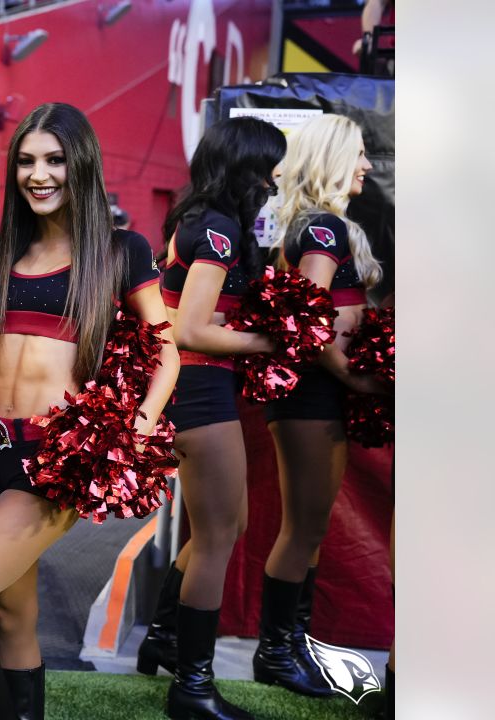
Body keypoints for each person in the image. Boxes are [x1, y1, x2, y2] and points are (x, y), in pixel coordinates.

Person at [0, 102, 178, 720]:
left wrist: (131, 433)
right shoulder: (1, 251)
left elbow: (166, 353)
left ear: (80, 164)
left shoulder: (121, 251)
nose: (39, 174)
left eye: (55, 160)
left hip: (53, 459)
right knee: (11, 613)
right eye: (27, 161)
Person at [144, 116, 285, 720]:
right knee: (220, 536)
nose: (276, 180)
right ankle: (193, 689)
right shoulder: (219, 228)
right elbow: (191, 327)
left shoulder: (197, 220)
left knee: (221, 527)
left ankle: (167, 639)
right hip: (201, 393)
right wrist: (271, 341)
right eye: (270, 167)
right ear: (247, 167)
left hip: (197, 392)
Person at [257, 113, 384, 697]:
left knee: (309, 528)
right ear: (334, 158)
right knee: (303, 528)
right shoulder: (323, 229)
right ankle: (276, 655)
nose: (366, 165)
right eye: (358, 154)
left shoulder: (326, 226)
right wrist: (356, 381)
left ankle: (291, 651)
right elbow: (305, 320)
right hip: (311, 394)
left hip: (318, 394)